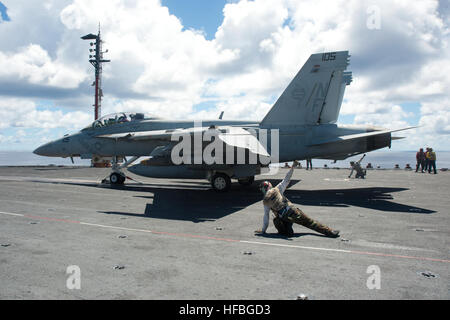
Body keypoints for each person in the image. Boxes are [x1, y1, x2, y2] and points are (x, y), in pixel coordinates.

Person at [255, 160, 340, 238]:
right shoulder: (277, 189)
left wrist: (263, 230)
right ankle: (330, 232)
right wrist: (293, 167)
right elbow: (286, 179)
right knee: (311, 223)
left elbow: (266, 217)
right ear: (269, 185)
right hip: (294, 213)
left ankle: (286, 232)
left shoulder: (265, 201)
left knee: (276, 220)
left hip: (284, 217)